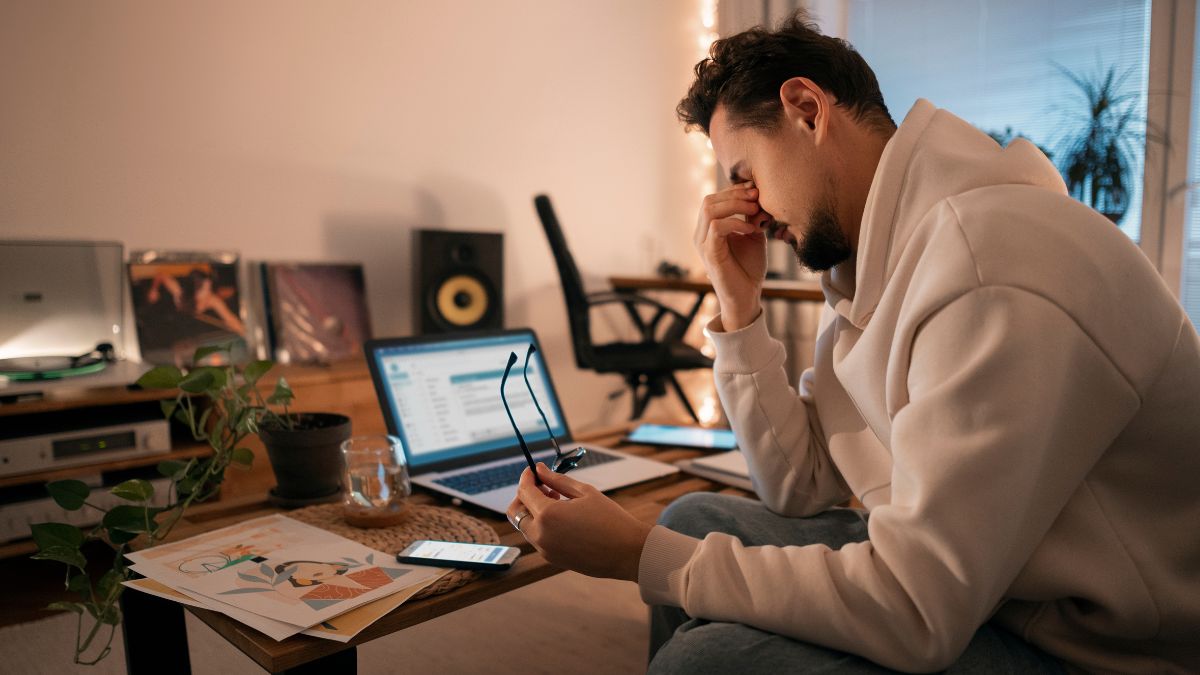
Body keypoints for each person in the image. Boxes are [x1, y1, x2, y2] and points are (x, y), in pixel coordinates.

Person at [507, 10, 1200, 674]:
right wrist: (739, 309)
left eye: (744, 172)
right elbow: (799, 483)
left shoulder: (989, 267)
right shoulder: (875, 264)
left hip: (1099, 649)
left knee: (708, 658)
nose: (744, 206)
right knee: (693, 514)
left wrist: (645, 556)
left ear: (806, 109)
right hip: (999, 589)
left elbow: (916, 607)